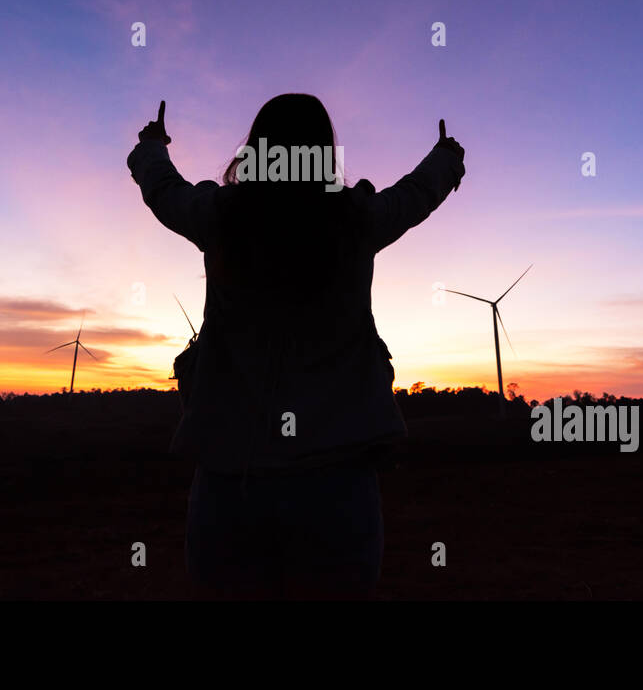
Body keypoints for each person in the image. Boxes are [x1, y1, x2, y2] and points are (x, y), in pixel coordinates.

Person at [127, 94, 465, 599]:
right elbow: (415, 195)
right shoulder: (356, 220)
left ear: (255, 149)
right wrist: (446, 157)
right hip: (337, 484)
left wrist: (151, 146)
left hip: (231, 480)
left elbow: (163, 188)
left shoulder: (218, 217)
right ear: (324, 153)